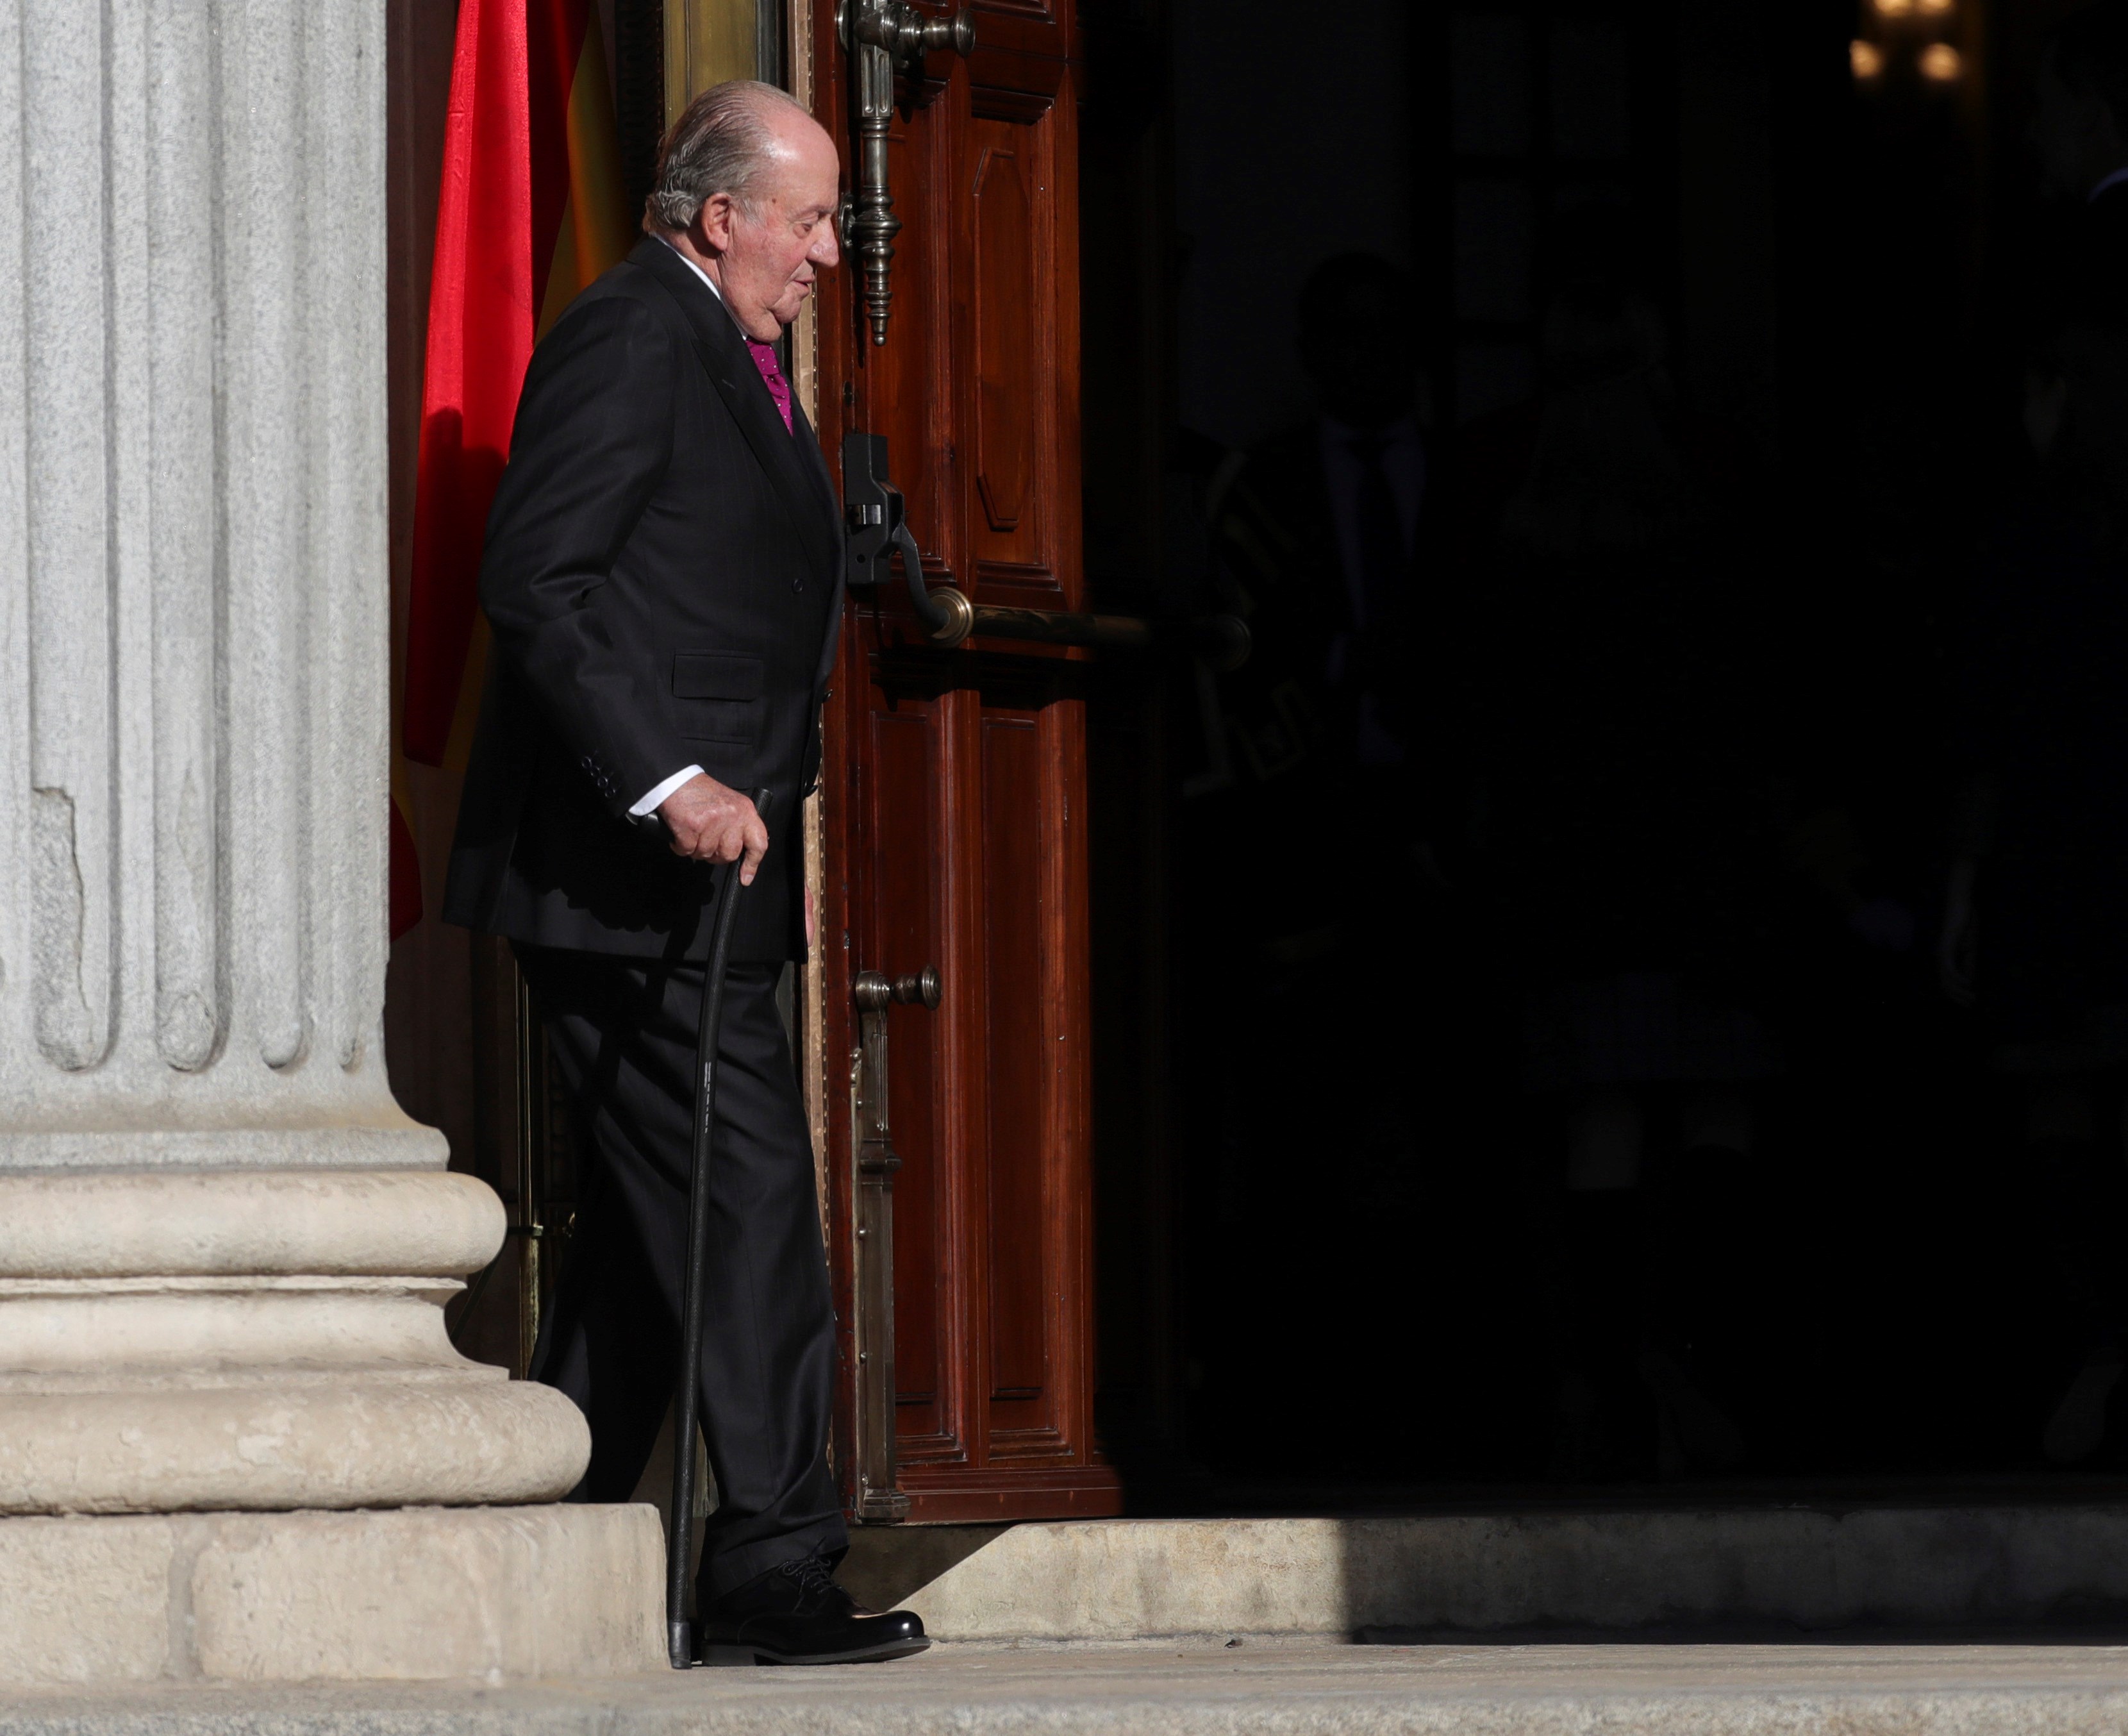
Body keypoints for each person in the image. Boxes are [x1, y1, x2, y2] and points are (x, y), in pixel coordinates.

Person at [442, 81, 926, 1665]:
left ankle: (556, 1532)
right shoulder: (638, 334)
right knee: (748, 1200)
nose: (823, 255)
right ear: (720, 218)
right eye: (804, 221)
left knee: (670, 1219)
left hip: (697, 886)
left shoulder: (733, 350)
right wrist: (667, 778)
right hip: (630, 871)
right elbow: (542, 574)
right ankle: (770, 1568)